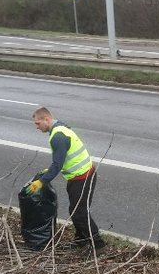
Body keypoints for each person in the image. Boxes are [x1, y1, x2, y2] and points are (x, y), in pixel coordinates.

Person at [28, 107, 106, 250]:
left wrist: (42, 181)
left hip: (83, 177)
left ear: (47, 119)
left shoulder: (58, 136)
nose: (37, 127)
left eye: (38, 123)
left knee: (79, 213)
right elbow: (62, 159)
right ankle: (81, 240)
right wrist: (49, 171)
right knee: (76, 210)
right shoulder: (60, 127)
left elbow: (57, 164)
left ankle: (98, 245)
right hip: (76, 177)